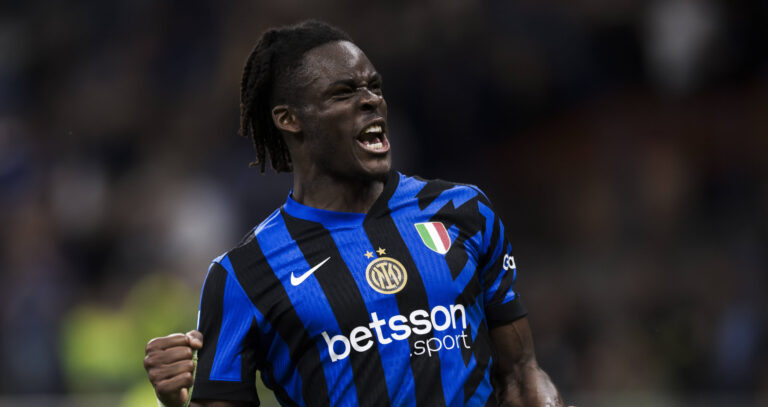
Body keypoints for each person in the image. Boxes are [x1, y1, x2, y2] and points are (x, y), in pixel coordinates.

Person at [143, 20, 568, 407]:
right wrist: (176, 403)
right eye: (344, 93)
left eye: (374, 87)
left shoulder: (463, 212)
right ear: (290, 119)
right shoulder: (245, 275)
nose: (371, 102)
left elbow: (520, 373)